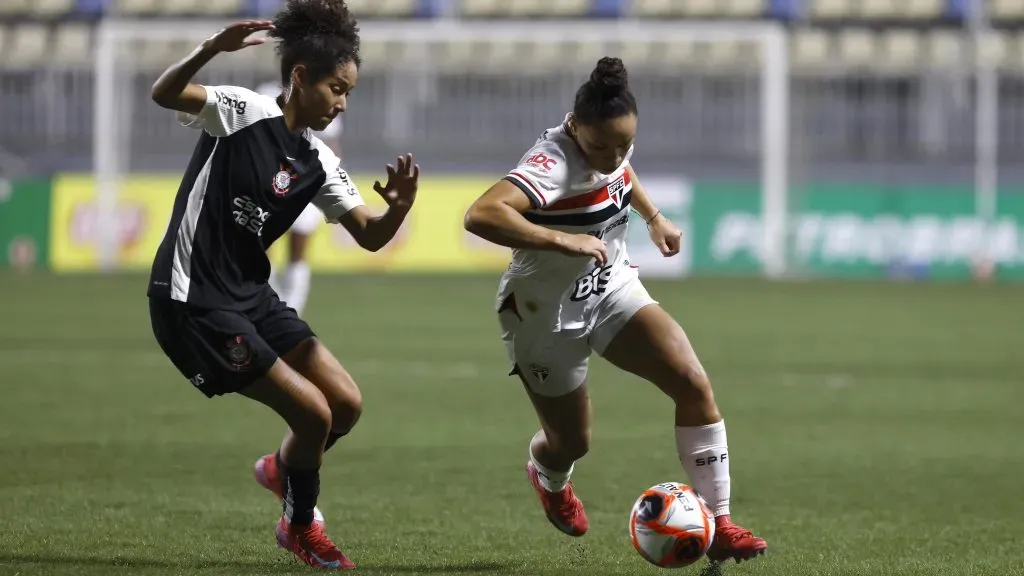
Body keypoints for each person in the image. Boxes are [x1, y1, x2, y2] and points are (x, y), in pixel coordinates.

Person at [145, 1, 419, 570]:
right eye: (335, 89)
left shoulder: (317, 159)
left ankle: (281, 469)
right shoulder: (241, 111)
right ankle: (299, 529)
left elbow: (369, 236)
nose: (342, 103)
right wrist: (210, 50)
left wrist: (397, 210)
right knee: (314, 415)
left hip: (249, 295)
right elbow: (165, 94)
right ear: (299, 78)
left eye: (348, 93)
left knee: (344, 404)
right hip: (193, 298)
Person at [463, 57, 768, 564]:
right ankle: (548, 474)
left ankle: (720, 524)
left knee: (692, 383)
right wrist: (561, 238)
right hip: (542, 313)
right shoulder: (552, 162)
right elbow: (481, 214)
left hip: (610, 289)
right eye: (600, 145)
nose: (611, 156)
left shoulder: (611, 143)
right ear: (574, 126)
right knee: (571, 443)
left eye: (623, 144)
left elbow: (621, 171)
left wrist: (654, 217)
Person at [255, 79, 343, 316]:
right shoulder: (266, 93)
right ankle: (267, 306)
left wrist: (324, 180)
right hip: (269, 184)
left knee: (298, 249)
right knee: (261, 248)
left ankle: (292, 311)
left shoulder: (322, 94)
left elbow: (331, 144)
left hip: (306, 184)